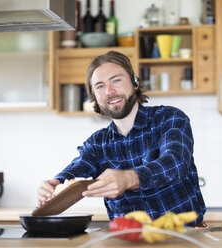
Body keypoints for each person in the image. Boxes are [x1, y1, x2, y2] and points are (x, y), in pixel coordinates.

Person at [37, 51, 206, 225]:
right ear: (94, 96)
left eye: (116, 80)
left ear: (135, 83)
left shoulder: (169, 118)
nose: (109, 91)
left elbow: (175, 163)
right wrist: (54, 186)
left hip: (184, 236)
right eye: (100, 86)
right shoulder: (97, 144)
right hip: (127, 240)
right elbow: (74, 174)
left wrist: (131, 178)